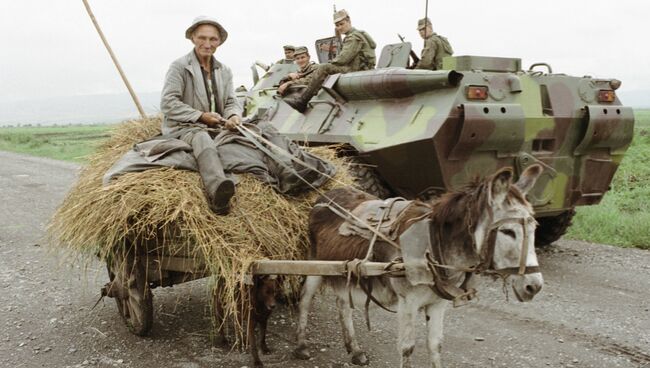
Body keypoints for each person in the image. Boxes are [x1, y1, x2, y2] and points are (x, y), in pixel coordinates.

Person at [160, 16, 243, 215]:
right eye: (202, 38)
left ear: (219, 42)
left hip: (217, 126)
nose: (207, 44)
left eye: (213, 39)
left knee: (258, 131)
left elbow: (232, 101)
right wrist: (200, 116)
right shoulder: (179, 67)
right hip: (186, 127)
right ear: (192, 39)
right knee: (202, 138)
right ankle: (217, 192)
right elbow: (168, 103)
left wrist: (233, 116)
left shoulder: (224, 70)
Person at [284, 9, 376, 113]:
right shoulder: (359, 34)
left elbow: (343, 59)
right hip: (361, 68)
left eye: (342, 24)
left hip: (356, 69)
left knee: (323, 68)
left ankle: (302, 101)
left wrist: (328, 64)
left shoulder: (353, 37)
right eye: (337, 25)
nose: (340, 27)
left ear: (349, 21)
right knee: (324, 67)